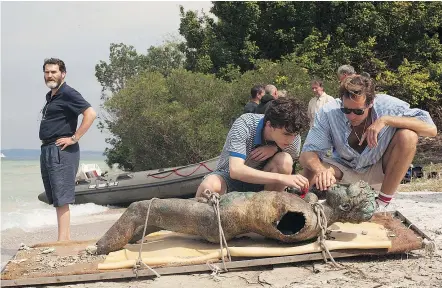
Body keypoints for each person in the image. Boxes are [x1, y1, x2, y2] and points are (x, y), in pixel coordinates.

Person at [300, 75, 437, 208]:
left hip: (379, 169)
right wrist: (320, 171)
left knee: (408, 136)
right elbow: (307, 153)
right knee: (311, 168)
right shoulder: (328, 112)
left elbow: (431, 129)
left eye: (358, 111)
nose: (351, 116)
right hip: (344, 168)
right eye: (346, 110)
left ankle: (382, 202)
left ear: (370, 103)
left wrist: (386, 120)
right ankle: (300, 205)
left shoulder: (388, 106)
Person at [196, 98, 309, 197]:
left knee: (285, 160)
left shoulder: (293, 135)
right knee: (208, 185)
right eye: (286, 134)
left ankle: (270, 214)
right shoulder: (245, 124)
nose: (291, 140)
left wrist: (275, 148)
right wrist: (281, 178)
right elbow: (236, 170)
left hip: (264, 184)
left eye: (295, 135)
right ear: (269, 125)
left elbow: (288, 166)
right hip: (229, 178)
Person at [39, 58, 97, 241]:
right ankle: (63, 239)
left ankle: (63, 241)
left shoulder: (68, 93)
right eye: (47, 72)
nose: (50, 75)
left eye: (54, 72)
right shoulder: (52, 96)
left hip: (61, 150)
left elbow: (90, 113)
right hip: (48, 148)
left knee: (62, 197)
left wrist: (74, 137)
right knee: (56, 197)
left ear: (63, 73)